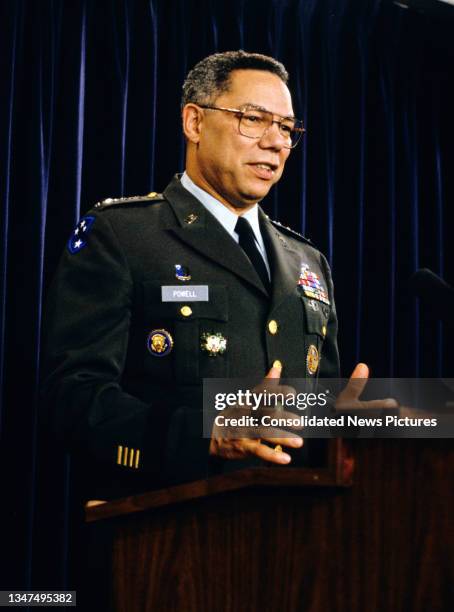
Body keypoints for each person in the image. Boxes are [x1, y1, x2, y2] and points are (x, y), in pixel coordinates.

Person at [41, 50, 379, 502]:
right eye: (254, 119)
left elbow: (310, 414)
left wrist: (339, 425)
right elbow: (73, 401)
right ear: (195, 123)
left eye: (286, 128)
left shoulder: (307, 260)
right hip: (168, 539)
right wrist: (207, 434)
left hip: (298, 539)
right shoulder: (124, 235)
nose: (276, 142)